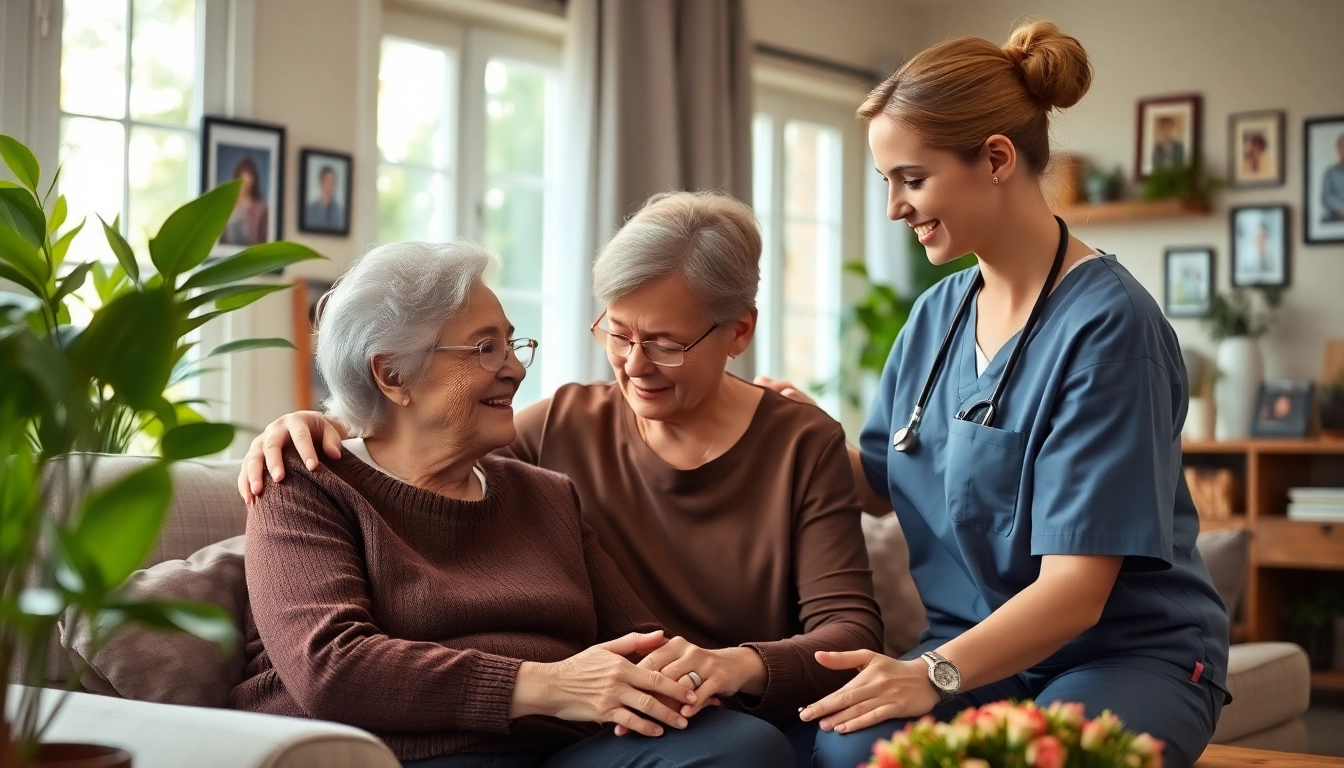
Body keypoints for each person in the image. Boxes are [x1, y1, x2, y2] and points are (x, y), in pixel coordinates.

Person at [238, 192, 883, 767]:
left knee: (745, 749)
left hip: (556, 740)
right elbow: (333, 664)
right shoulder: (309, 482)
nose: (515, 371)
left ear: (738, 331)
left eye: (512, 344)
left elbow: (640, 641)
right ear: (393, 377)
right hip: (407, 744)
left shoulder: (541, 489)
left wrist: (695, 678)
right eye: (484, 348)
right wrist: (318, 422)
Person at [759, 21, 1229, 768]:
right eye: (887, 183)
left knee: (1049, 758)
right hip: (975, 648)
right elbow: (884, 485)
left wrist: (928, 674)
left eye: (910, 179)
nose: (894, 208)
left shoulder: (1111, 328)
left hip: (1119, 654)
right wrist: (798, 431)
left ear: (997, 159)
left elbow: (1076, 592)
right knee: (850, 753)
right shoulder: (935, 316)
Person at [222, 155, 269, 245]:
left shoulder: (260, 208)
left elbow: (263, 239)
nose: (247, 182)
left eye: (250, 177)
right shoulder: (226, 205)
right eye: (243, 177)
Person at [305, 164, 345, 231]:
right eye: (327, 181)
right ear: (321, 182)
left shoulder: (340, 212)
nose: (329, 186)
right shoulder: (310, 210)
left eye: (332, 182)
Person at [1322, 132, 1344, 222]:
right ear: (1337, 149)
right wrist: (1340, 207)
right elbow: (1326, 197)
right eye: (1342, 147)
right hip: (1336, 216)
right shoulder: (1330, 173)